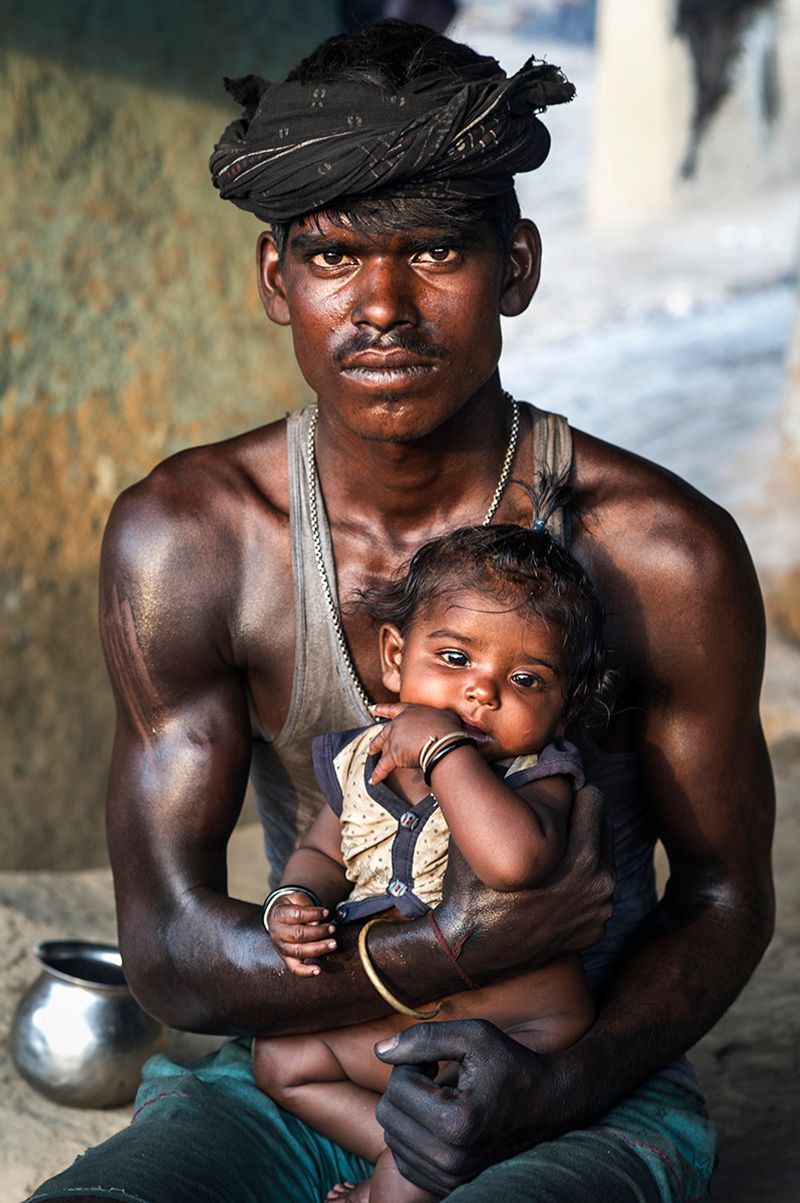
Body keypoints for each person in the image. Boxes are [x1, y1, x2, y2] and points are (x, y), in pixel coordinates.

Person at [28, 18, 774, 1203]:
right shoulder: (195, 540)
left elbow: (721, 897)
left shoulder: (657, 554)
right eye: (333, 256)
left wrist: (556, 1084)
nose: (381, 304)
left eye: (433, 250)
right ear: (275, 281)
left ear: (514, 268)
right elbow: (168, 949)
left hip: (568, 1081)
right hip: (298, 1067)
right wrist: (447, 949)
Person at [255, 522, 609, 1203]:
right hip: (407, 1022)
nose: (482, 692)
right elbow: (323, 850)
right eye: (454, 658)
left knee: (439, 1119)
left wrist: (444, 749)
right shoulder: (360, 761)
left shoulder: (536, 773)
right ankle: (392, 1145)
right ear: (395, 657)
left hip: (512, 1037)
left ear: (563, 709)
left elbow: (513, 861)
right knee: (280, 1059)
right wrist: (292, 900)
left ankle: (397, 1178)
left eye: (525, 679)